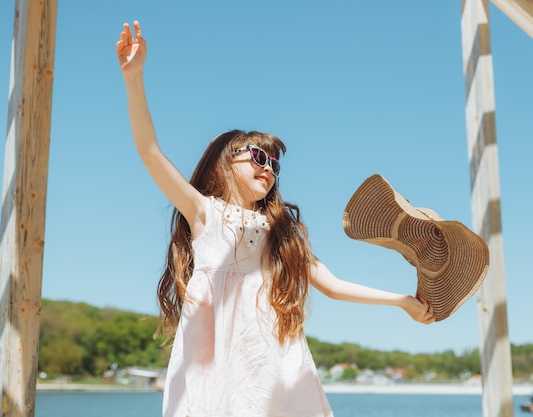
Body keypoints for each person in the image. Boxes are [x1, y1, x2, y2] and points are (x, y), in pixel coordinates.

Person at [116, 20, 436, 417]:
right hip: (212, 356)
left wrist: (403, 301)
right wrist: (134, 77)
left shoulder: (279, 230)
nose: (268, 168)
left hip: (270, 351)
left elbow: (332, 285)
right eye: (257, 156)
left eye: (275, 164)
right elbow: (150, 152)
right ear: (221, 163)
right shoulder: (204, 211)